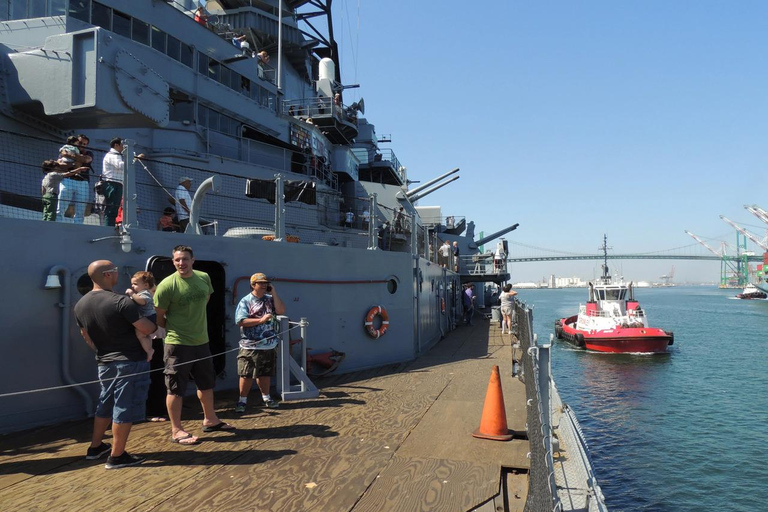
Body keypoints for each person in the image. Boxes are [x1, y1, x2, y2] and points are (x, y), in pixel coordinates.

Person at [74, 260, 160, 469]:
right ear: (107, 275)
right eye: (115, 271)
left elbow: (85, 335)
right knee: (124, 407)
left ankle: (95, 447)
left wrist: (101, 351)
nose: (117, 274)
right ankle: (117, 456)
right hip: (129, 362)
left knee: (105, 403)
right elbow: (147, 329)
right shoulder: (121, 302)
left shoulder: (80, 305)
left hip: (105, 362)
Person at [154, 245, 234, 445]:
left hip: (201, 342)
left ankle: (210, 419)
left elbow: (204, 299)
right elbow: (159, 316)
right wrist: (177, 329)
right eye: (177, 260)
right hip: (177, 343)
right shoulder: (167, 285)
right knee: (175, 388)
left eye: (185, 259)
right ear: (173, 262)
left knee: (206, 383)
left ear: (193, 260)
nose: (181, 263)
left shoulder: (203, 278)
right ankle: (176, 430)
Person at [234, 273, 286, 413]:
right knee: (246, 374)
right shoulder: (245, 301)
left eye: (265, 283)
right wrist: (260, 320)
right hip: (250, 345)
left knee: (265, 373)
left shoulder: (270, 299)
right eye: (260, 283)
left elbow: (281, 310)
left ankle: (266, 397)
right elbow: (240, 321)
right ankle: (242, 400)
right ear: (253, 285)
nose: (264, 285)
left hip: (268, 345)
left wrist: (273, 292)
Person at [57, 134, 94, 224]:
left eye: (85, 144)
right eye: (80, 143)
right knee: (61, 206)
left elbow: (86, 160)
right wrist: (78, 160)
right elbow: (59, 164)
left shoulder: (88, 153)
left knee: (81, 210)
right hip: (67, 180)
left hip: (82, 182)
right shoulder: (65, 149)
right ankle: (57, 224)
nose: (82, 145)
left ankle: (77, 226)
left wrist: (68, 155)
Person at [125, 271, 158, 361]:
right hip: (149, 317)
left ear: (146, 285)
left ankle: (149, 350)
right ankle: (149, 349)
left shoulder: (145, 293)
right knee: (145, 336)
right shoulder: (140, 293)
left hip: (149, 317)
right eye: (132, 284)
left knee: (140, 335)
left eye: (135, 284)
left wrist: (132, 294)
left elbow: (142, 302)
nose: (132, 286)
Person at [101, 137, 125, 227]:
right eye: (122, 145)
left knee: (115, 207)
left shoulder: (116, 155)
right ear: (116, 145)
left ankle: (110, 225)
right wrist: (133, 159)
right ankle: (108, 226)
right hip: (112, 183)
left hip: (117, 183)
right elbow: (120, 166)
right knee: (111, 207)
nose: (123, 147)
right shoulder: (112, 155)